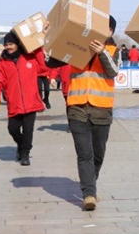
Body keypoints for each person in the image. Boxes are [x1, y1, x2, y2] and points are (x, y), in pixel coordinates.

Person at [48, 16, 119, 211]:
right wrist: (48, 36)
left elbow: (113, 71)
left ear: (110, 32)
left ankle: (91, 184)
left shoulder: (113, 50)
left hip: (101, 109)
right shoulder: (76, 47)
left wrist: (102, 52)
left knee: (98, 154)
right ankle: (88, 194)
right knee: (84, 154)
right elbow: (50, 61)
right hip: (77, 108)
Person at [0, 31, 48, 166]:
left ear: (18, 45)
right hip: (14, 103)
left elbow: (44, 68)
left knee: (28, 130)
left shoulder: (30, 58)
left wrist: (39, 47)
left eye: (11, 44)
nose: (8, 47)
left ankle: (25, 154)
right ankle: (21, 145)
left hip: (31, 101)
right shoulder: (2, 63)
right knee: (13, 129)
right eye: (6, 45)